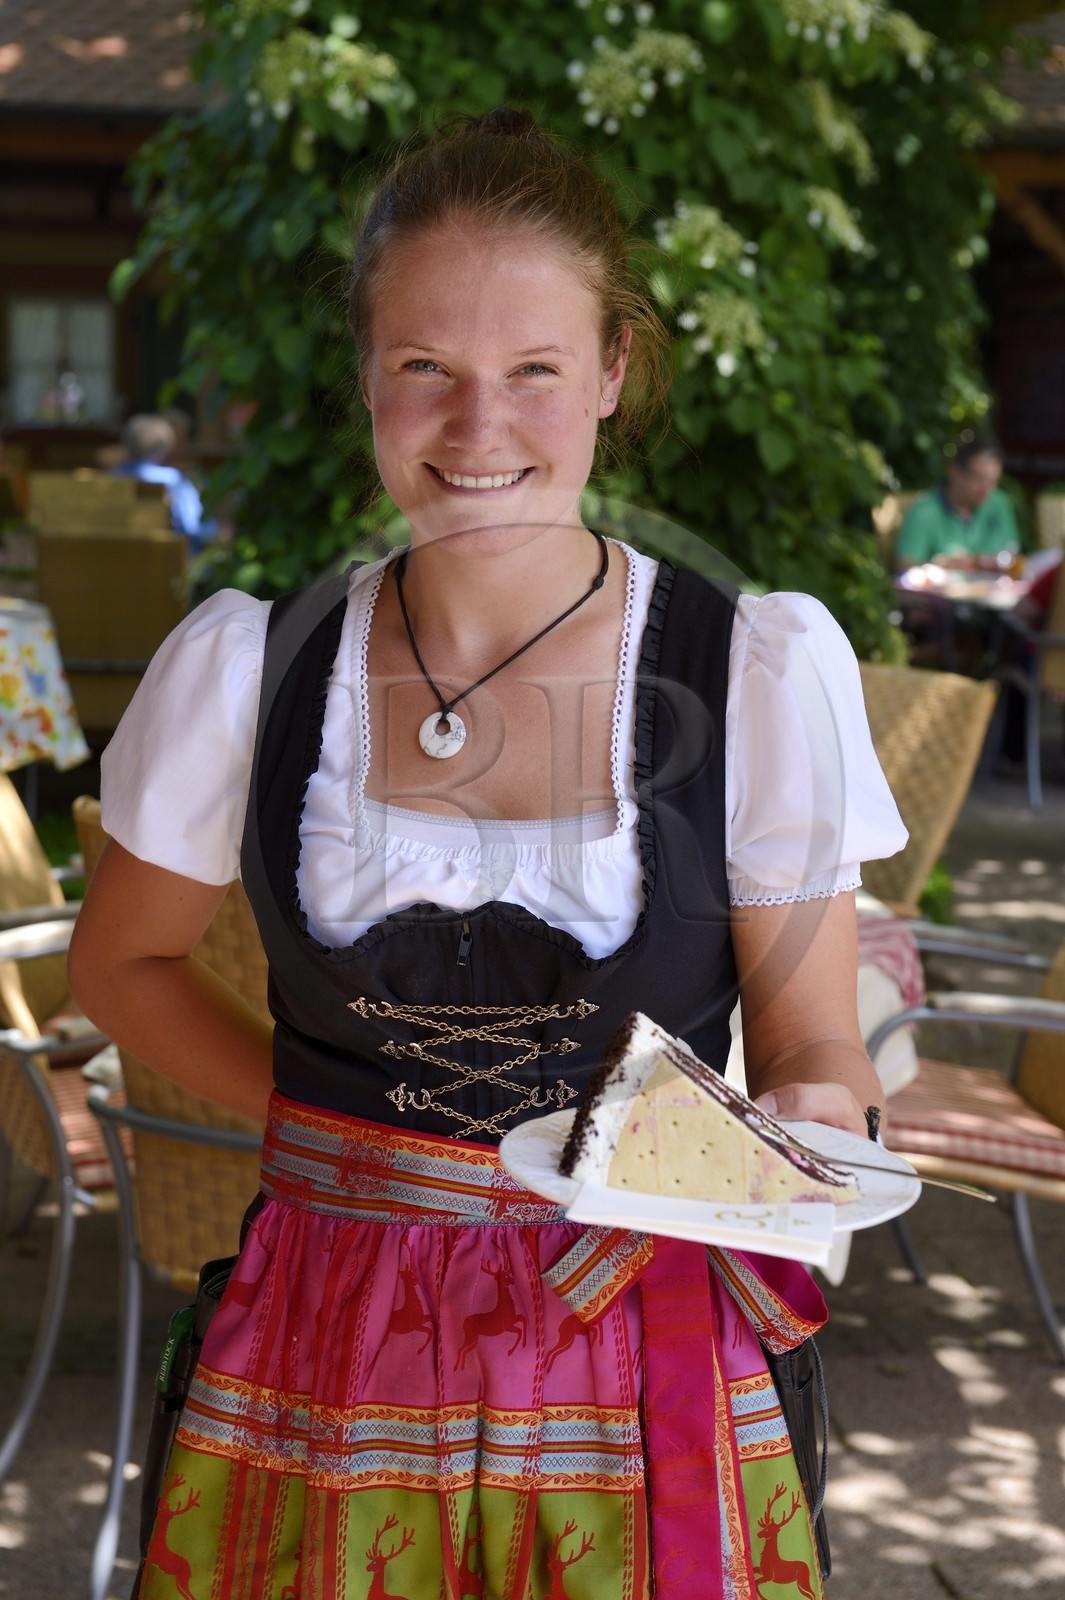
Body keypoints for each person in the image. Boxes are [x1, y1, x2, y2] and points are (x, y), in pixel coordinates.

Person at [69, 110, 907, 1600]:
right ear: (368, 384)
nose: (478, 427)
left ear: (610, 376)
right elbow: (121, 963)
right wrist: (338, 1128)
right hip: (323, 1334)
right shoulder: (254, 667)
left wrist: (794, 1141)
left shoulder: (752, 671)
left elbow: (812, 1035)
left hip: (631, 1348)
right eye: (424, 371)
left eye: (532, 370)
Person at [894, 432, 1019, 573]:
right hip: (941, 593)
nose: (986, 489)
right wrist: (938, 567)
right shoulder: (924, 511)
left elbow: (1012, 554)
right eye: (979, 479)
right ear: (955, 471)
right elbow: (904, 569)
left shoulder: (999, 503)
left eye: (992, 481)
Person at [111, 412, 219, 552]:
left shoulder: (113, 478)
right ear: (165, 446)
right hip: (170, 562)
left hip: (121, 560)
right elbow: (198, 529)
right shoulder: (172, 480)